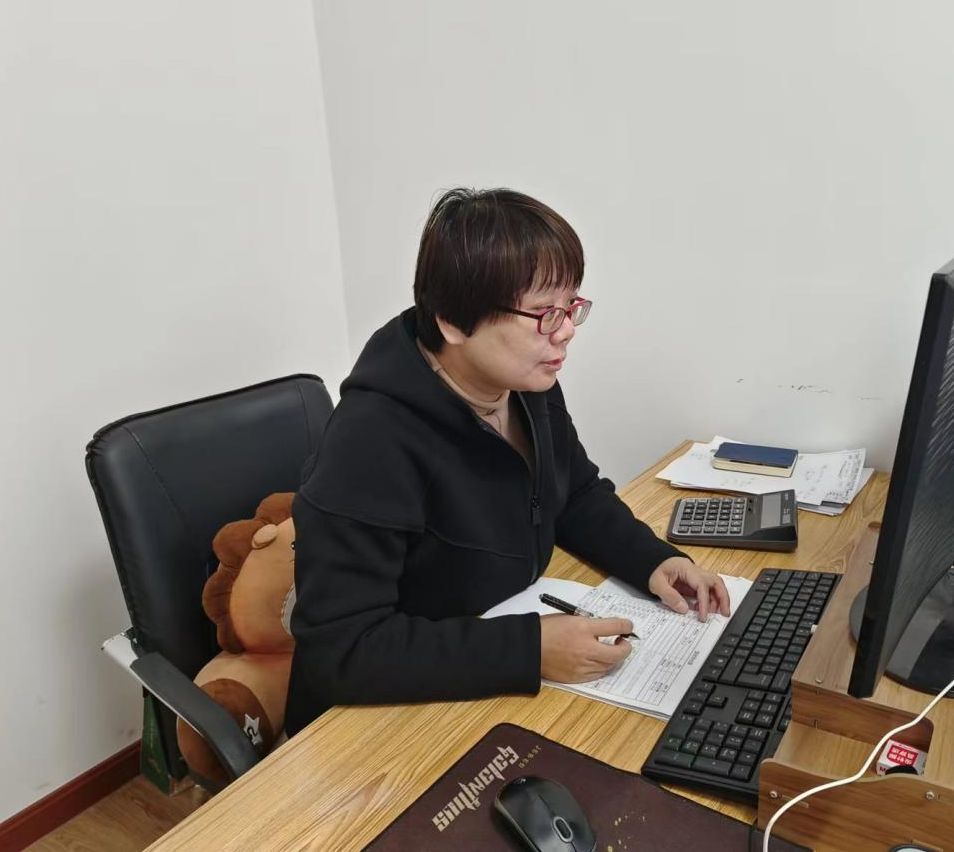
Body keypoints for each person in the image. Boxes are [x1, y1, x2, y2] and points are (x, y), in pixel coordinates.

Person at [284, 187, 729, 734]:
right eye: (544, 313)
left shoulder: (525, 384)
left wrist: (652, 561)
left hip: (480, 677)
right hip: (377, 723)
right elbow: (342, 649)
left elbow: (574, 494)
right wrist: (530, 649)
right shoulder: (371, 440)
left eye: (571, 307)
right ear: (452, 321)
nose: (566, 330)